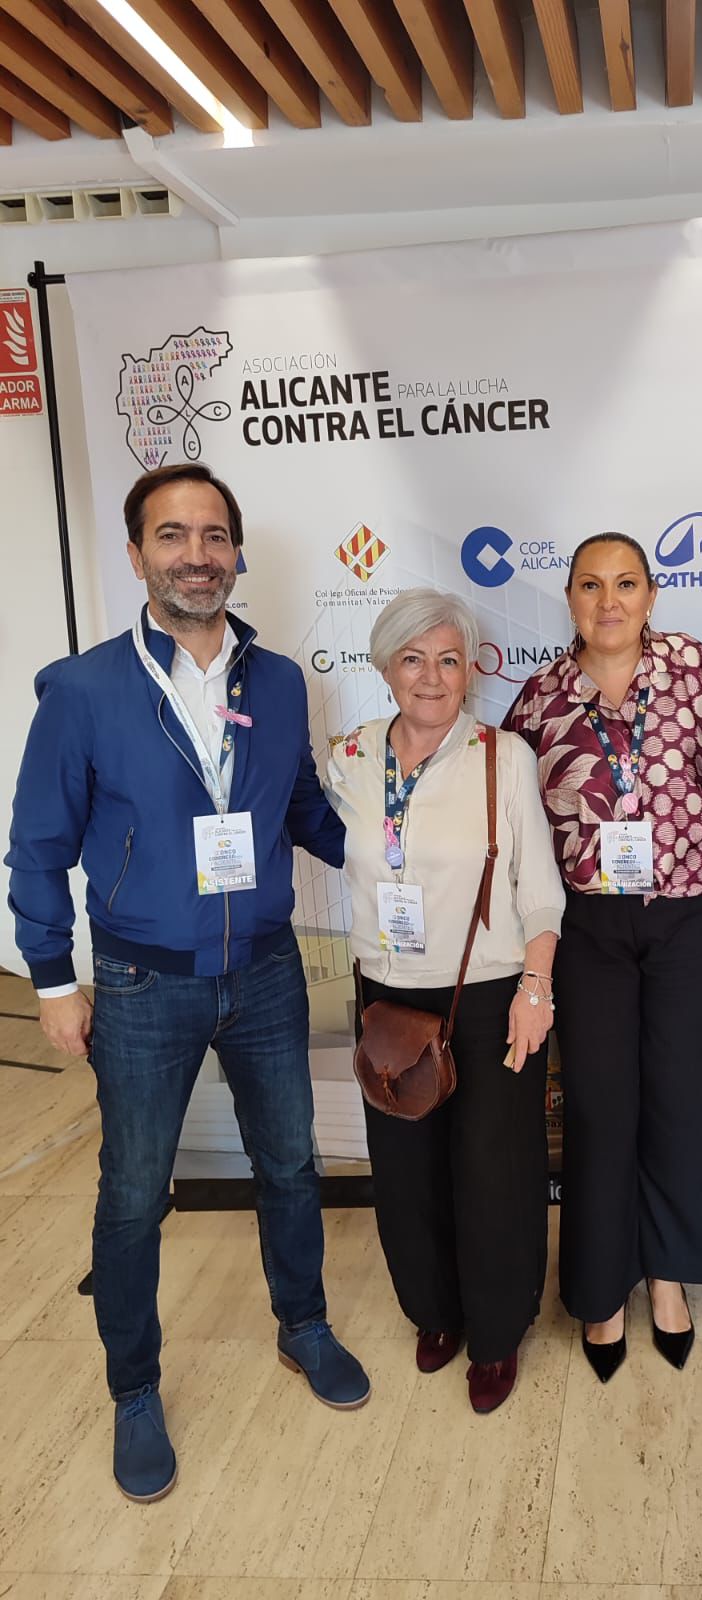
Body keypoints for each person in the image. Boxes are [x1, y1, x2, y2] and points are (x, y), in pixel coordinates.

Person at [6, 463, 369, 1504]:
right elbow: (38, 847)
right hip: (137, 982)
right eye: (172, 535)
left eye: (214, 535)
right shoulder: (82, 691)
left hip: (265, 971)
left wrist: (396, 856)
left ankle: (303, 1324)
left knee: (289, 1164)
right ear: (137, 556)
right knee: (132, 1194)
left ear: (236, 552)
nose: (196, 555)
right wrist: (51, 977)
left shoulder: (280, 681)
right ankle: (134, 1388)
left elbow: (303, 809)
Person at [504, 532, 702, 1382]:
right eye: (590, 585)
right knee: (603, 1107)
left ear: (651, 594)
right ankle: (603, 1288)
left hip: (693, 919)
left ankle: (668, 1273)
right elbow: (518, 828)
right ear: (569, 598)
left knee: (686, 1101)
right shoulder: (539, 701)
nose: (608, 602)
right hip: (592, 929)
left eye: (625, 584)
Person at [326, 588, 563, 1415]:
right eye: (413, 658)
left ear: (471, 671)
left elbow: (541, 891)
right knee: (406, 1171)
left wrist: (536, 987)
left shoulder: (505, 757)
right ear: (386, 667)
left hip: (490, 992)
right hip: (387, 994)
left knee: (495, 1172)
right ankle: (435, 1311)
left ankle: (496, 1333)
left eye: (449, 660)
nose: (431, 677)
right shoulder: (350, 756)